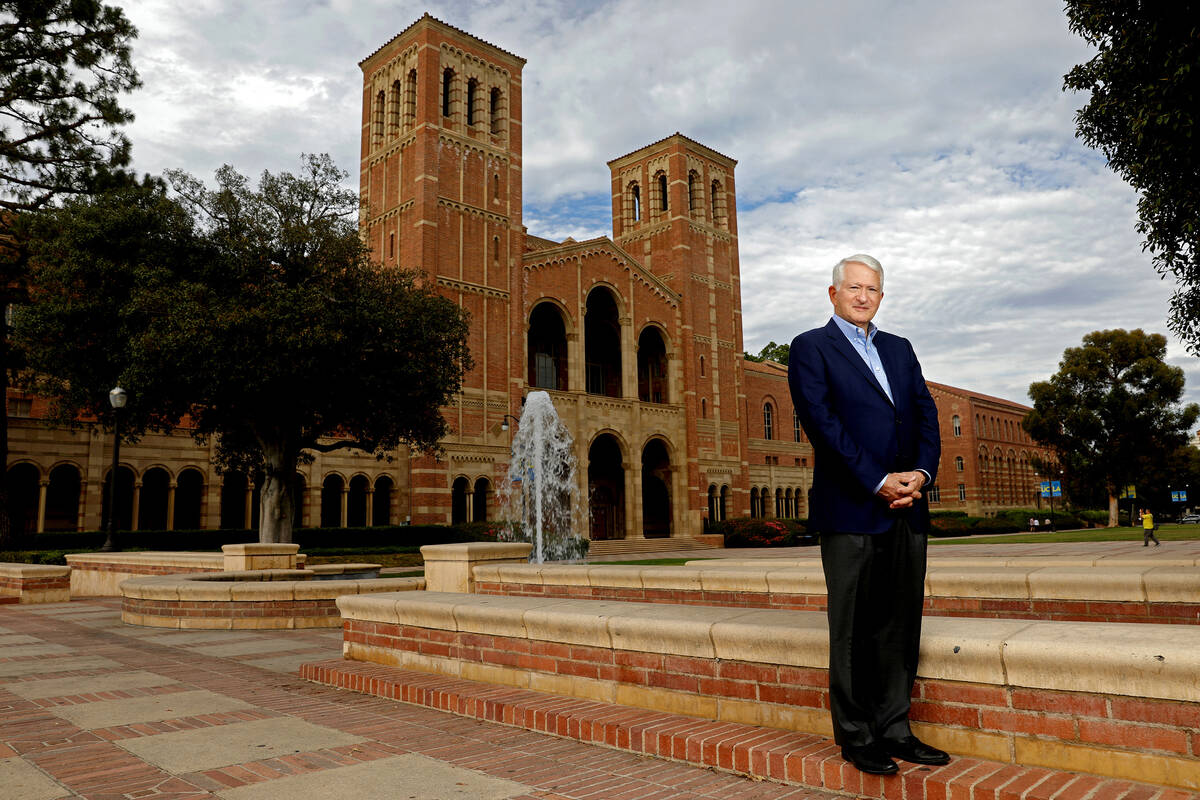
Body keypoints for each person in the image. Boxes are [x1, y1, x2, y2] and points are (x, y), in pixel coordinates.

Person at [788, 254, 949, 776]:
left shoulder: (899, 350)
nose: (863, 296)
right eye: (853, 287)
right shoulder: (811, 348)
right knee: (854, 627)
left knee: (900, 624)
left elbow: (926, 415)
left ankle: (896, 728)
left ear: (882, 296)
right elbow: (824, 425)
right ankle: (857, 736)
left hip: (908, 508)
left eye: (873, 289)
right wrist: (879, 481)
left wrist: (920, 476)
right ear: (832, 293)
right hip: (852, 508)